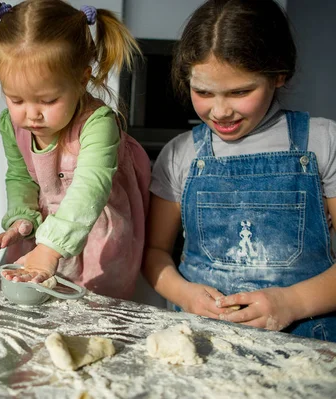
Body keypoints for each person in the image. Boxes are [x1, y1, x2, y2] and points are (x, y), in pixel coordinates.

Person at [143, 0, 336, 341]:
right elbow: (154, 253)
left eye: (240, 92)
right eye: (202, 92)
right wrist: (184, 294)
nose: (219, 111)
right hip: (202, 340)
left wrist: (292, 301)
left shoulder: (322, 142)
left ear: (279, 74)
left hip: (306, 343)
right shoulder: (180, 154)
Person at [0, 0, 151, 299]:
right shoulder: (13, 125)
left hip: (94, 233)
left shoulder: (98, 123)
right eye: (16, 99)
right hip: (44, 233)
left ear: (82, 79)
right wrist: (22, 217)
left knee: (92, 313)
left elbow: (90, 189)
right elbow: (21, 176)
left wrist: (50, 249)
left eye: (47, 101)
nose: (31, 114)